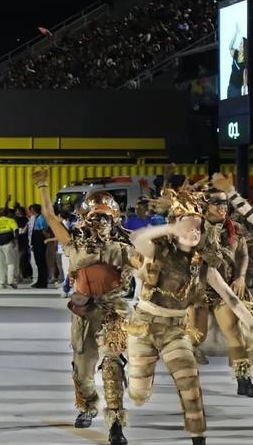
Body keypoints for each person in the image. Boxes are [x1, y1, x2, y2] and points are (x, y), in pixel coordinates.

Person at [128, 186, 253, 445]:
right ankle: (138, 378)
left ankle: (198, 435)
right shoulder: (159, 252)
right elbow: (138, 239)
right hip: (144, 327)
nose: (195, 231)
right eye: (189, 227)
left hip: (175, 329)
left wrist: (250, 320)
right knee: (138, 396)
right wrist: (171, 228)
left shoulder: (204, 265)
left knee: (191, 384)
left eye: (198, 228)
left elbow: (231, 299)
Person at [34, 170, 136, 445]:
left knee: (113, 366)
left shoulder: (123, 248)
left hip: (114, 311)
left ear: (113, 221)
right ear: (86, 221)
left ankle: (115, 422)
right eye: (95, 217)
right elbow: (51, 216)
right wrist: (43, 186)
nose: (100, 222)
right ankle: (88, 405)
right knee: (83, 370)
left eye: (105, 217)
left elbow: (150, 269)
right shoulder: (73, 245)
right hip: (84, 311)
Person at [187, 188, 253, 396]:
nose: (223, 208)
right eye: (218, 204)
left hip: (225, 291)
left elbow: (242, 254)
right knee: (194, 337)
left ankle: (243, 378)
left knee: (235, 332)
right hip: (197, 291)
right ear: (206, 206)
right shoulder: (193, 230)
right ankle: (186, 381)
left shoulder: (235, 229)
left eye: (225, 204)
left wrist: (240, 276)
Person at [227, 23, 247, 98]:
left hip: (237, 89)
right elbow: (230, 47)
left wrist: (245, 90)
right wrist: (236, 33)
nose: (240, 44)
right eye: (240, 43)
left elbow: (245, 77)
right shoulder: (236, 53)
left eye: (242, 43)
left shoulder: (245, 62)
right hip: (230, 86)